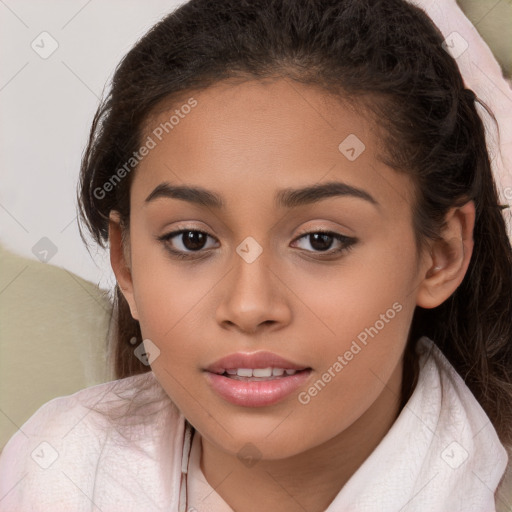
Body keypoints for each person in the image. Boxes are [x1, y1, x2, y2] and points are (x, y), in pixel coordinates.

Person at [1, 0, 511, 510]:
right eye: (192, 240)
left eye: (320, 240)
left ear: (441, 255)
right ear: (126, 263)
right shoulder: (53, 470)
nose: (248, 306)